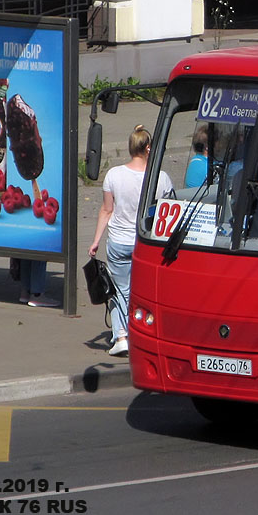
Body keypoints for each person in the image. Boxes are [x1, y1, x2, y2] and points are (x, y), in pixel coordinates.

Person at [89, 125, 174, 357]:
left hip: (118, 241)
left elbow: (106, 211)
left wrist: (96, 240)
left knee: (118, 290)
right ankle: (142, 334)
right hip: (146, 242)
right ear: (148, 148)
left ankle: (121, 337)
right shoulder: (161, 178)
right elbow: (166, 213)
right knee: (144, 291)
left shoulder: (114, 175)